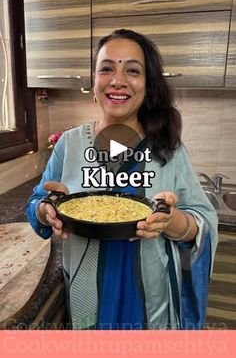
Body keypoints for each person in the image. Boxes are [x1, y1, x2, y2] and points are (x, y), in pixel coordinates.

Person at [26, 29, 218, 330]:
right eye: (106, 69)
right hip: (85, 288)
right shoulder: (70, 144)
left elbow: (202, 222)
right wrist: (47, 209)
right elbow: (38, 200)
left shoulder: (168, 149)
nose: (117, 80)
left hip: (150, 295)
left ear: (147, 85)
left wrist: (173, 221)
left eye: (132, 70)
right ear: (93, 83)